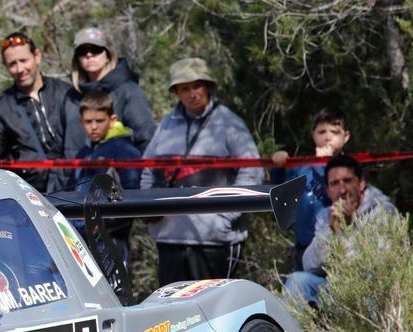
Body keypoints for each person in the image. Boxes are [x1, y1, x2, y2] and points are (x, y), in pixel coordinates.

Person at [140, 57, 262, 284]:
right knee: (173, 312)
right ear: (176, 92)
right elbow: (148, 170)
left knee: (216, 313)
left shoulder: (229, 123)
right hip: (170, 240)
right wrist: (152, 211)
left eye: (197, 86)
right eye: (185, 88)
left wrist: (225, 215)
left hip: (215, 242)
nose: (192, 93)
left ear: (207, 87)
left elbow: (252, 171)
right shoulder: (166, 125)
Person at [284, 154, 396, 306]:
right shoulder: (326, 215)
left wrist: (349, 226)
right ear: (328, 190)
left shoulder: (383, 211)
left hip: (374, 288)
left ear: (361, 183)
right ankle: (287, 330)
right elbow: (308, 264)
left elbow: (376, 264)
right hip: (338, 286)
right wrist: (332, 231)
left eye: (347, 181)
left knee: (370, 280)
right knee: (298, 281)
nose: (342, 190)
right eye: (335, 183)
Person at [0, 31, 80, 191]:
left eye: (24, 60)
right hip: (31, 196)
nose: (20, 69)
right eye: (12, 64)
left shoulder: (66, 93)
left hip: (74, 188)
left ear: (37, 56)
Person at [269, 107, 351, 271]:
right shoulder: (302, 168)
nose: (328, 137)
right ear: (313, 135)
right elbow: (279, 197)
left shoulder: (349, 168)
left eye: (334, 132)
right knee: (300, 289)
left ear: (345, 137)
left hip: (335, 244)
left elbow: (342, 196)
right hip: (302, 246)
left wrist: (324, 164)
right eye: (321, 132)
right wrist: (278, 167)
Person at [71, 90, 142, 267]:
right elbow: (71, 192)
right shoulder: (82, 153)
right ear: (81, 122)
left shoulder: (124, 152)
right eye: (88, 122)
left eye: (99, 121)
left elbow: (131, 198)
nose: (93, 127)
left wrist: (102, 225)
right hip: (79, 240)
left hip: (112, 241)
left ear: (112, 120)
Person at [66, 26, 156, 152]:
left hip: (120, 169)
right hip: (75, 170)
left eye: (95, 49)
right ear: (77, 59)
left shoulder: (129, 91)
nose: (89, 55)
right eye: (82, 51)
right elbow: (61, 145)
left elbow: (147, 139)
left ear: (108, 54)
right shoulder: (71, 97)